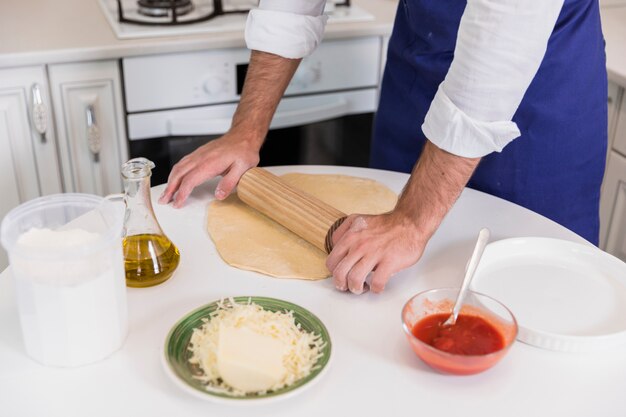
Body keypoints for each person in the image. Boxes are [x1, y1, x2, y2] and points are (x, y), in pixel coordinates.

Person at [159, 0, 607, 295]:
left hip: (534, 88)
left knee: (527, 295)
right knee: (379, 283)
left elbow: (502, 40)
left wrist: (413, 218)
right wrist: (246, 130)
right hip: (420, 60)